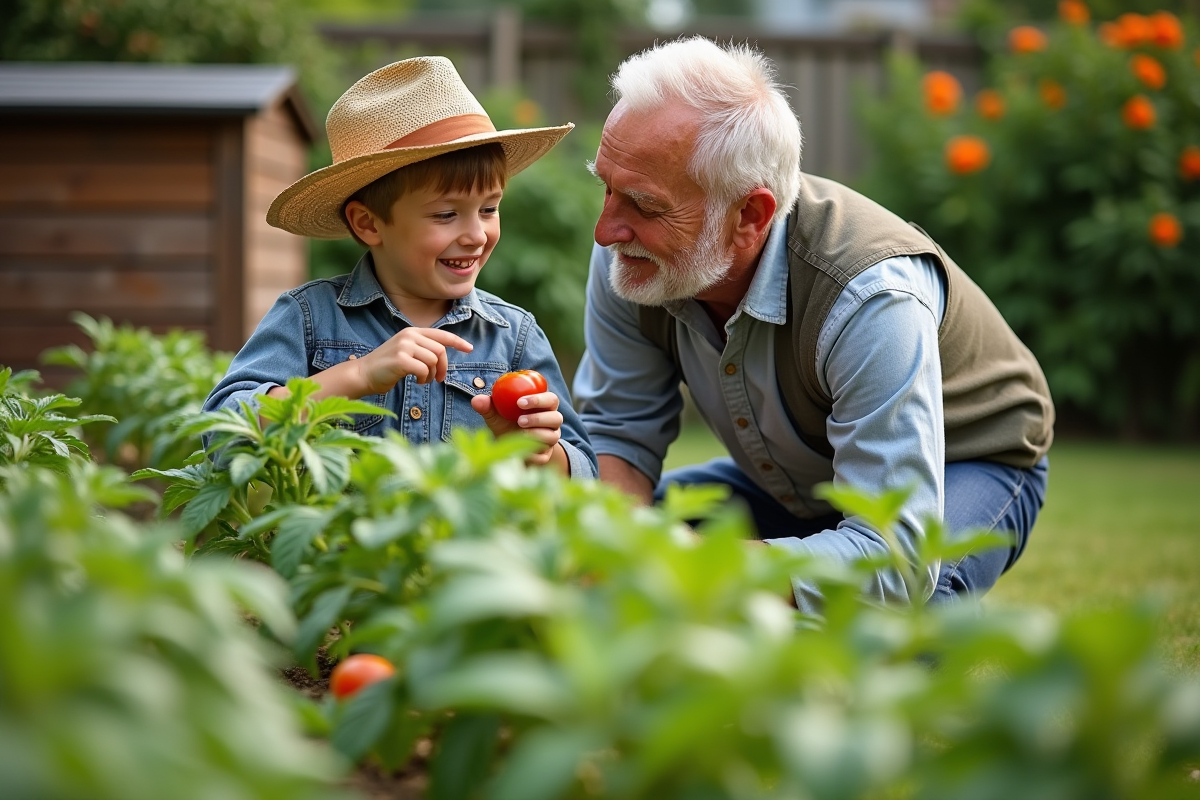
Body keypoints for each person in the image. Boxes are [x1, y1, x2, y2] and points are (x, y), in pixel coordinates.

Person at [572, 37, 1053, 610]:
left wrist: (699, 564)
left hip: (968, 461)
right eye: (606, 187)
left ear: (749, 215)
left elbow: (894, 561)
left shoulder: (871, 296)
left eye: (645, 206)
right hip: (803, 479)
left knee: (879, 631)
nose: (606, 231)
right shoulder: (633, 260)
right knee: (576, 545)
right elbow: (619, 440)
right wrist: (606, 557)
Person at [205, 57, 597, 479]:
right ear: (368, 223)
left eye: (488, 208)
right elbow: (224, 436)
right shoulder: (309, 318)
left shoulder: (512, 337)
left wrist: (539, 454)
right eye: (446, 215)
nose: (476, 235)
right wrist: (357, 374)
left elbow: (585, 476)